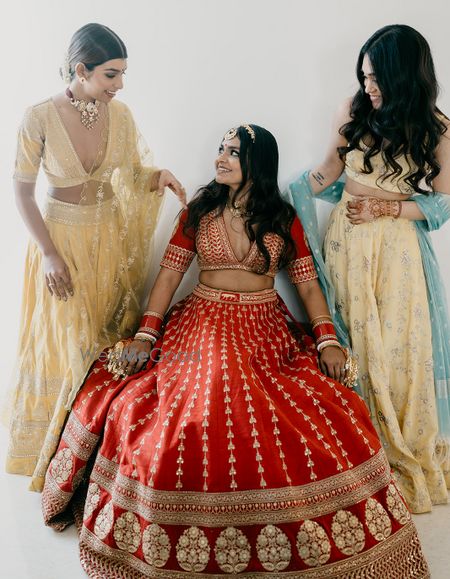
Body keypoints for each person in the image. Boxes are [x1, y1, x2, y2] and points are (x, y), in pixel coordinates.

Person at [42, 124, 429, 577]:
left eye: (232, 152)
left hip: (263, 323)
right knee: (203, 386)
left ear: (256, 162)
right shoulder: (199, 211)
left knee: (322, 405)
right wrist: (147, 334)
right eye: (220, 149)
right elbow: (169, 277)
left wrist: (326, 338)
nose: (220, 158)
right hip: (202, 319)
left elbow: (306, 285)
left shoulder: (282, 217)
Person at [6, 23, 186, 492]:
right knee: (65, 342)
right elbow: (21, 193)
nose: (119, 85)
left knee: (103, 339)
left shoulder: (120, 115)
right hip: (60, 241)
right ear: (81, 70)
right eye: (111, 75)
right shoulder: (38, 117)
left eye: (123, 74)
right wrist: (48, 254)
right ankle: (51, 456)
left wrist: (158, 176)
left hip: (109, 242)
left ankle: (91, 462)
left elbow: (128, 174)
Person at [289, 24, 450, 514]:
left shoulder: (437, 127)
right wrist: (280, 194)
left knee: (401, 349)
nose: (369, 87)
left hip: (399, 254)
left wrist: (388, 208)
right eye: (364, 76)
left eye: (377, 78)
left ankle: (403, 450)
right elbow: (327, 173)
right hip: (349, 245)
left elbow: (442, 206)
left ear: (404, 77)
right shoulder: (354, 111)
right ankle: (362, 454)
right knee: (354, 343)